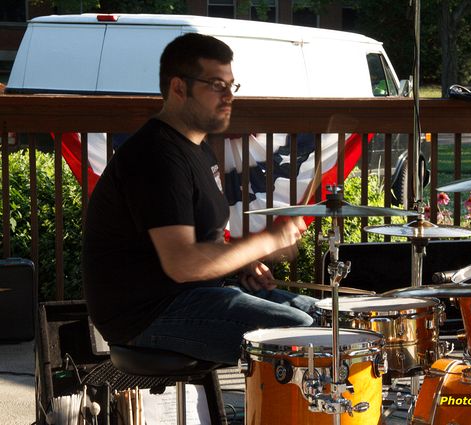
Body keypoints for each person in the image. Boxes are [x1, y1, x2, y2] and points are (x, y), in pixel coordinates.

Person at [82, 33, 317, 366]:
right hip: (146, 314)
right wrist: (269, 240)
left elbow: (200, 246)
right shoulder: (156, 155)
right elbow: (183, 264)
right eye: (216, 86)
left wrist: (243, 263)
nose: (227, 97)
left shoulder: (197, 149)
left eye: (231, 87)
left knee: (318, 313)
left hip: (191, 294)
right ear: (179, 88)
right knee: (301, 334)